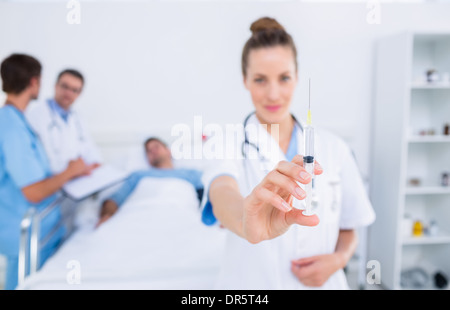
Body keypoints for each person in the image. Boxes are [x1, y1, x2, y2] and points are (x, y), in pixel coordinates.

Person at [201, 17, 376, 289]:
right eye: (260, 79)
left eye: (284, 78)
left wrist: (339, 259)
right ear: (245, 80)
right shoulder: (225, 142)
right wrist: (245, 221)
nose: (273, 94)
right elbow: (222, 190)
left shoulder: (334, 148)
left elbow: (350, 224)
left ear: (296, 76)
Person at [0, 54, 94, 290]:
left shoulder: (16, 121)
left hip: (41, 227)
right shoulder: (11, 125)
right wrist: (71, 171)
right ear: (35, 82)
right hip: (23, 231)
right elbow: (33, 191)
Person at [96, 137, 204, 227]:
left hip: (181, 215)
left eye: (156, 147)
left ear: (168, 151)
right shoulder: (138, 175)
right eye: (148, 151)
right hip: (138, 217)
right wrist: (107, 215)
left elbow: (207, 196)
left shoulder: (190, 174)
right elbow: (115, 199)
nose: (153, 151)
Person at [26, 69, 102, 174]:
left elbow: (89, 147)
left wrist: (95, 163)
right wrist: (72, 171)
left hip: (79, 179)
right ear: (56, 85)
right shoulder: (36, 115)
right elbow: (40, 158)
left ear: (79, 93)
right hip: (52, 182)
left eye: (74, 90)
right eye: (65, 87)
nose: (68, 93)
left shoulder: (78, 117)